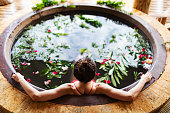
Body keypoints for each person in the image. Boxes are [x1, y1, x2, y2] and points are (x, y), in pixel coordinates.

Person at [12, 57, 152, 102]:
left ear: (74, 73)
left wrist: (21, 79)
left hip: (77, 88)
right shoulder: (100, 87)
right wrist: (143, 80)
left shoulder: (68, 88)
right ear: (95, 74)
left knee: (77, 68)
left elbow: (36, 96)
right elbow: (130, 96)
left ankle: (79, 64)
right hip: (90, 88)